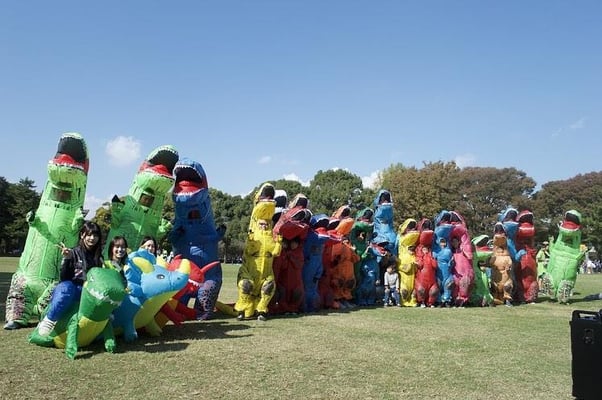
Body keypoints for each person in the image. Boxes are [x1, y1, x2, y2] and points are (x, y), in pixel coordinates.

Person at [37, 221, 104, 335]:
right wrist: (67, 259)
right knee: (66, 287)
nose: (92, 238)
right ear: (82, 235)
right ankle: (49, 320)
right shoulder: (73, 253)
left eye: (95, 235)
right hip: (73, 289)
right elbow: (64, 278)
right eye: (89, 235)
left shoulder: (99, 257)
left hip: (88, 293)